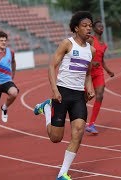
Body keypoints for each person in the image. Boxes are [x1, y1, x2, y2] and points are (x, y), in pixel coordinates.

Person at [33, 11, 95, 180]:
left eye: (90, 25)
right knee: (55, 138)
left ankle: (62, 173)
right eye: (85, 25)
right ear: (76, 28)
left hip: (78, 96)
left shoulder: (91, 50)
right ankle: (46, 108)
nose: (89, 28)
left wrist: (89, 88)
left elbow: (88, 74)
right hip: (62, 92)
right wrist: (54, 90)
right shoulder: (67, 44)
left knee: (79, 131)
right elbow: (52, 66)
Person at [85, 19, 115, 135]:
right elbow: (83, 53)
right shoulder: (90, 40)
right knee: (84, 98)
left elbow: (101, 60)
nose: (101, 27)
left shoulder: (104, 45)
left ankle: (91, 124)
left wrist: (108, 71)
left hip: (98, 72)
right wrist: (91, 63)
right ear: (94, 29)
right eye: (98, 26)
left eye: (102, 26)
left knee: (100, 95)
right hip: (87, 72)